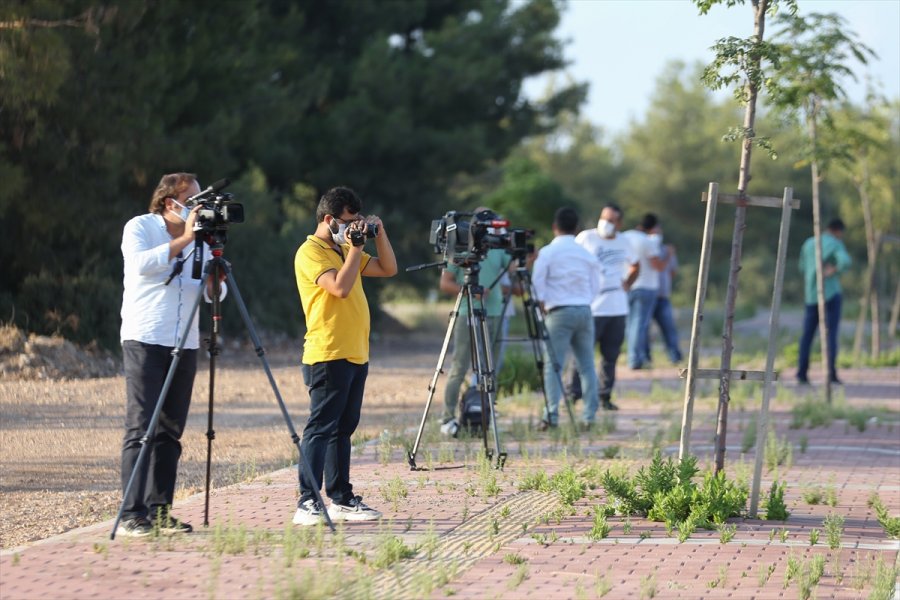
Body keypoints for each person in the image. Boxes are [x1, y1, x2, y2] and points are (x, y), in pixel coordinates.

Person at [118, 172, 227, 537]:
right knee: (141, 427)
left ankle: (160, 510)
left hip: (186, 340)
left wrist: (216, 276)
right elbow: (141, 266)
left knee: (170, 430)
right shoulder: (140, 227)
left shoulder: (200, 238)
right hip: (146, 338)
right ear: (170, 202)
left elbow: (213, 295)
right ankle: (133, 513)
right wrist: (185, 238)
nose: (199, 208)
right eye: (193, 201)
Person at [293, 187, 397, 524]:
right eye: (348, 222)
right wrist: (354, 247)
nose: (353, 229)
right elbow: (339, 287)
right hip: (327, 352)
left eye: (358, 223)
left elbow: (387, 269)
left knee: (343, 429)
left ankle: (341, 498)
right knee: (320, 428)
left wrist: (378, 235)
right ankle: (307, 501)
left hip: (355, 352)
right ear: (328, 219)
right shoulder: (311, 252)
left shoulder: (344, 248)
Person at [439, 209, 510, 435]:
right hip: (466, 311)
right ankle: (447, 418)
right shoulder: (460, 246)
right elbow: (445, 283)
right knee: (460, 366)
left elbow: (518, 264)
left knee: (491, 366)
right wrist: (470, 291)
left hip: (495, 311)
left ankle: (486, 411)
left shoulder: (496, 246)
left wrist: (523, 248)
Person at [531, 207, 601, 430]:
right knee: (587, 366)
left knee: (553, 365)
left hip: (558, 312)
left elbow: (537, 285)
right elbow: (597, 284)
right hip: (584, 309)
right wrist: (585, 300)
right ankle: (589, 416)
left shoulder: (548, 252)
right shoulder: (586, 254)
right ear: (577, 228)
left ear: (554, 227)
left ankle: (551, 415)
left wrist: (541, 309)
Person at [570, 204, 639, 411]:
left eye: (611, 220)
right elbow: (572, 261)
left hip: (617, 308)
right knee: (582, 353)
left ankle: (604, 396)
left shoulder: (624, 241)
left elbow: (636, 265)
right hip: (592, 308)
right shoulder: (586, 238)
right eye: (604, 218)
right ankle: (573, 394)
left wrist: (628, 282)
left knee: (611, 356)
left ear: (619, 223)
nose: (606, 223)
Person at [797, 218, 852, 385]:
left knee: (807, 335)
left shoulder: (808, 243)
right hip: (830, 294)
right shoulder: (835, 243)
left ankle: (802, 373)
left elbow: (801, 267)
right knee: (830, 335)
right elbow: (845, 262)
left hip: (811, 295)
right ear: (838, 231)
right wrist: (833, 270)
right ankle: (831, 374)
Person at [621, 213, 667, 369]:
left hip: (627, 285)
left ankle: (634, 356)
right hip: (646, 287)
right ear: (653, 227)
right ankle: (634, 359)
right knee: (639, 325)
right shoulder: (648, 241)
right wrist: (668, 256)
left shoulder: (624, 236)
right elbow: (658, 266)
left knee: (630, 324)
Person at [647, 225, 683, 364]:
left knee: (669, 329)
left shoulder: (665, 250)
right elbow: (660, 267)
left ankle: (675, 356)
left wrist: (669, 255)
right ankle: (645, 358)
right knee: (644, 331)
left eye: (659, 233)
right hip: (649, 297)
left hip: (663, 297)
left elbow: (673, 271)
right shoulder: (647, 249)